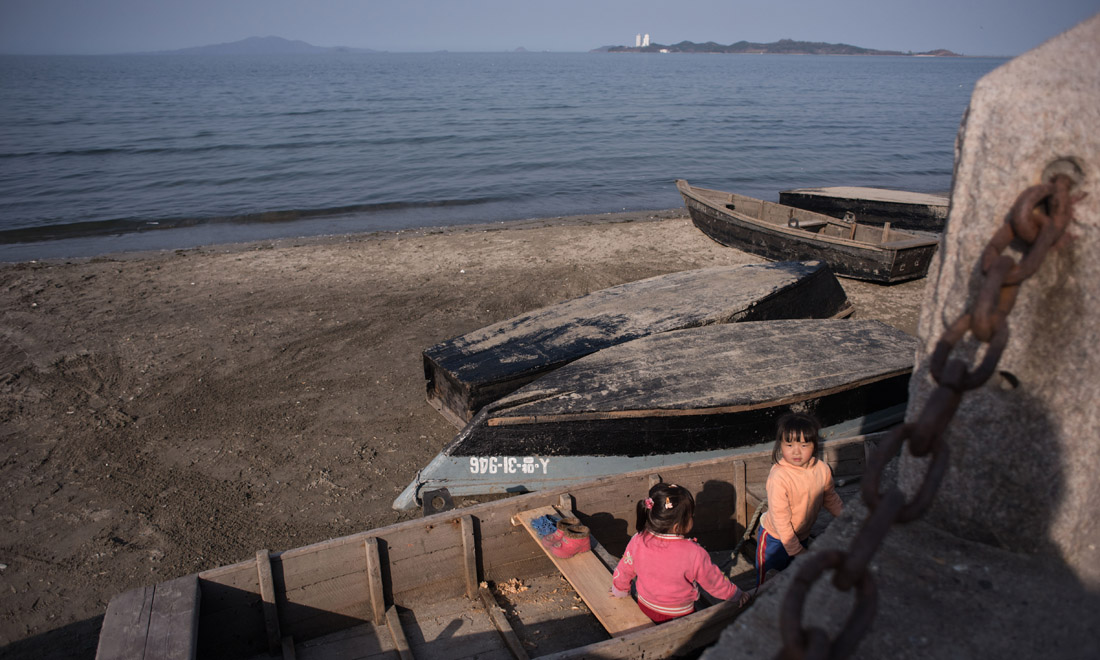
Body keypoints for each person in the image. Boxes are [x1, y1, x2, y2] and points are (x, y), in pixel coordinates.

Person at [610, 482, 751, 623]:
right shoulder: (694, 552)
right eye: (691, 516)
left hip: (646, 606)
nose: (692, 518)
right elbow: (713, 581)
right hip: (680, 613)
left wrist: (620, 591)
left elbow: (624, 569)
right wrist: (736, 594)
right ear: (677, 526)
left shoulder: (638, 539)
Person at [755, 412, 843, 585]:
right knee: (767, 581)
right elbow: (781, 519)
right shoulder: (779, 477)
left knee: (794, 579)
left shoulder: (822, 470)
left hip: (801, 534)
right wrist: (797, 550)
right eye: (789, 444)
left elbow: (830, 498)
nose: (796, 451)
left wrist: (847, 517)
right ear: (780, 445)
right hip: (775, 538)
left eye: (804, 445)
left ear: (814, 445)